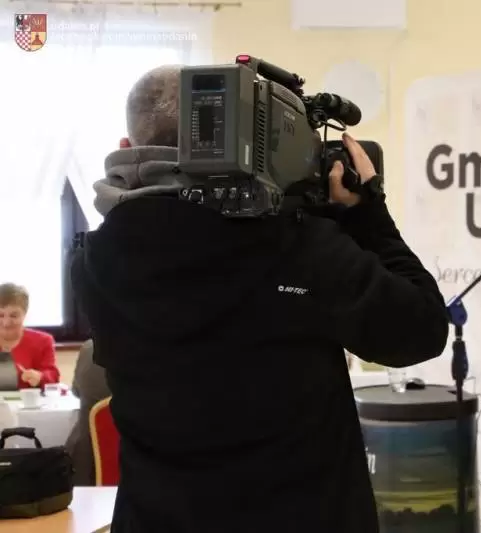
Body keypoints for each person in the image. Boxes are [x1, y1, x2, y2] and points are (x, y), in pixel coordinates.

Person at [71, 65, 449, 533]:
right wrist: (369, 217)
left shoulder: (93, 261)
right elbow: (421, 329)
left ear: (127, 147)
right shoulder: (296, 248)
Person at [64, 339, 111, 486]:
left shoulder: (90, 348)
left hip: (87, 457)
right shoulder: (163, 350)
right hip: (149, 460)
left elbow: (76, 391)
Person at [0, 282, 60, 389]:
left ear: (25, 313)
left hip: (29, 399)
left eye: (14, 316)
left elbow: (53, 375)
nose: (6, 323)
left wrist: (40, 377)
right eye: (0, 315)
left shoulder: (43, 341)